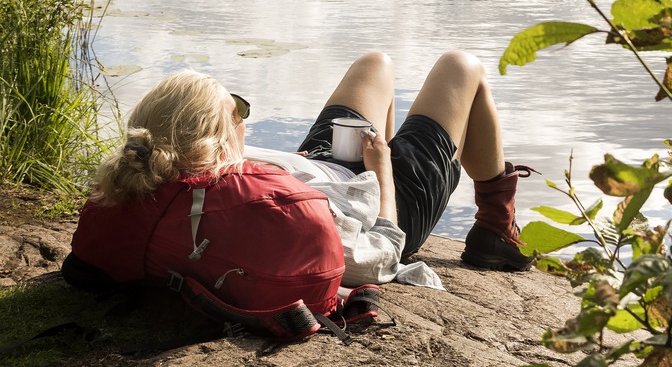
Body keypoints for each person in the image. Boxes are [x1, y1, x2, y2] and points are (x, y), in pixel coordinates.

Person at [61, 50, 536, 302]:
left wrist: (293, 167)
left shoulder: (152, 169)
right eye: (239, 110)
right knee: (462, 67)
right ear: (218, 136)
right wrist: (383, 173)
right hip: (383, 199)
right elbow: (380, 257)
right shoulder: (256, 208)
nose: (245, 116)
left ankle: (390, 159)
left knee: (377, 63)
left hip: (324, 167)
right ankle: (496, 223)